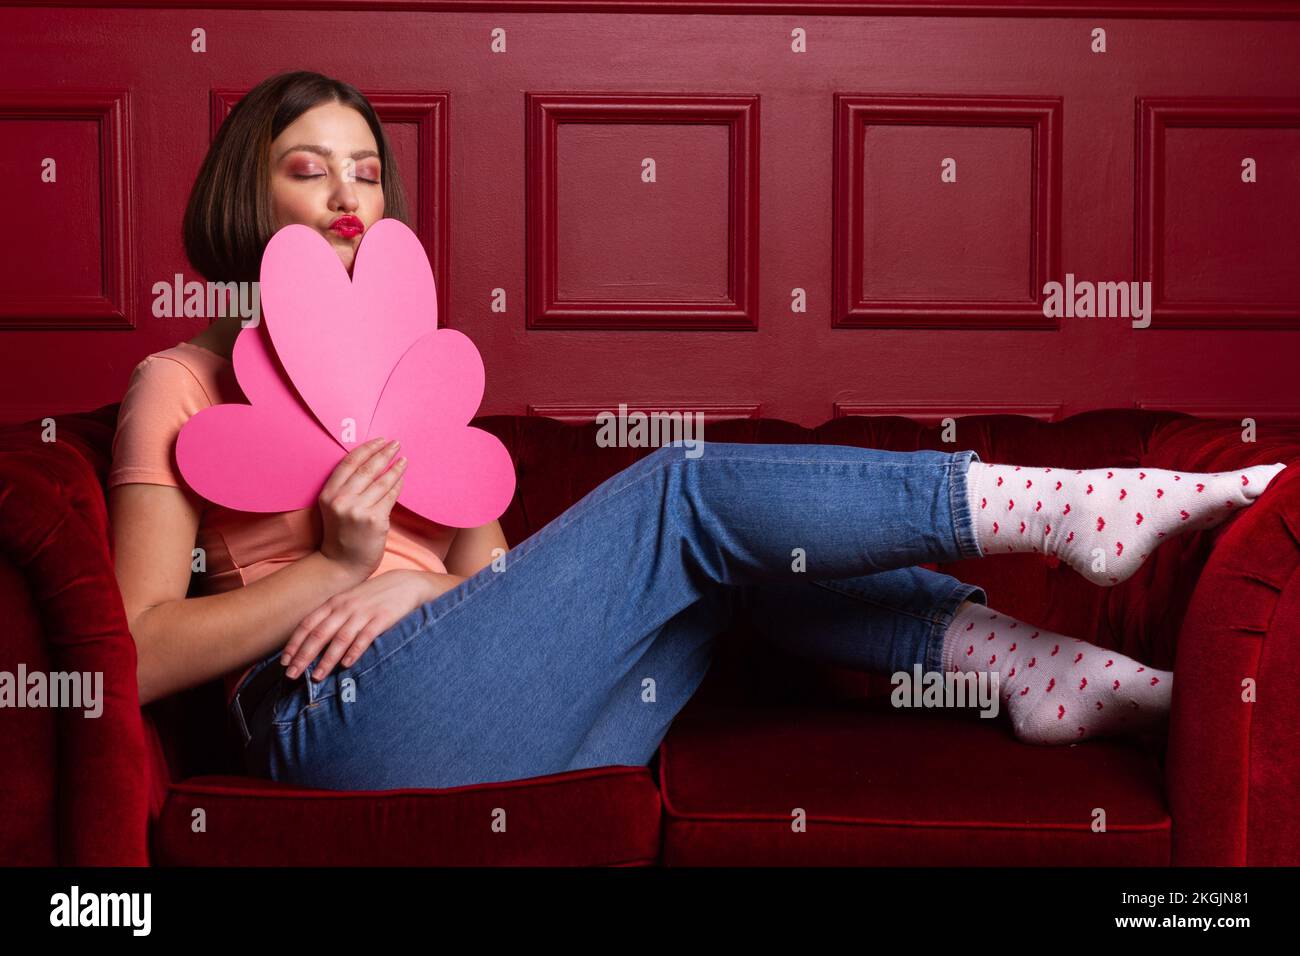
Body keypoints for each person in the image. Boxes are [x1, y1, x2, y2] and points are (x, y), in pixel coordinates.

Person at [108, 71, 1288, 792]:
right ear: (246, 200)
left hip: (514, 726)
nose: (349, 195)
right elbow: (140, 651)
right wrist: (336, 565)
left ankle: (1036, 671)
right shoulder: (180, 380)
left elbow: (504, 593)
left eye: (366, 171)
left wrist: (419, 593)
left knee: (728, 565)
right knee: (680, 493)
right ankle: (1065, 505)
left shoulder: (414, 370)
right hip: (340, 733)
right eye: (309, 171)